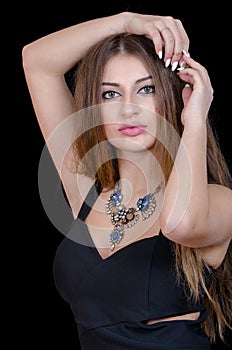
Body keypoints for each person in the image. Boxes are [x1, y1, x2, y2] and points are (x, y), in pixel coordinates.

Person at [22, 12, 232, 349]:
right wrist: (127, 21)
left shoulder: (217, 200)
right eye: (110, 95)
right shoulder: (86, 189)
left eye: (146, 89)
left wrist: (193, 121)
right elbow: (37, 62)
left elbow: (180, 224)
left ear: (175, 94)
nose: (129, 109)